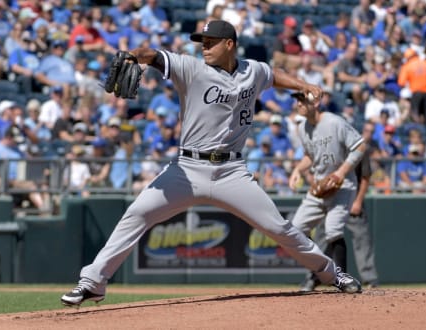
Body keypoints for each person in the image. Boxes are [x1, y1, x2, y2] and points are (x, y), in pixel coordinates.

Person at [61, 19, 362, 307]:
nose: (204, 47)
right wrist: (132, 55)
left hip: (231, 172)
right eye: (202, 41)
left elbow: (272, 74)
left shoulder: (252, 71)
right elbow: (151, 55)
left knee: (280, 228)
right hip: (186, 170)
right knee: (137, 214)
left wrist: (302, 83)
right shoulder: (191, 68)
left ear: (229, 44)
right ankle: (92, 282)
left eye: (211, 42)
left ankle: (332, 274)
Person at [287, 91, 366, 292]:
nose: (299, 104)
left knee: (333, 230)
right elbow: (309, 156)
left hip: (342, 186)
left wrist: (341, 172)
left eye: (303, 100)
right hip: (320, 187)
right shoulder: (303, 127)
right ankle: (317, 273)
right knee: (296, 229)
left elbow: (359, 146)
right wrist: (297, 170)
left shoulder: (334, 122)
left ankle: (342, 280)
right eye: (297, 100)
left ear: (316, 102)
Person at [303, 121, 379, 291]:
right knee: (322, 240)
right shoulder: (329, 148)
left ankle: (369, 279)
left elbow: (365, 177)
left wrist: (358, 201)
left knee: (362, 239)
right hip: (331, 200)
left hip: (351, 199)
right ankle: (313, 278)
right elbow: (314, 169)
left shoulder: (359, 149)